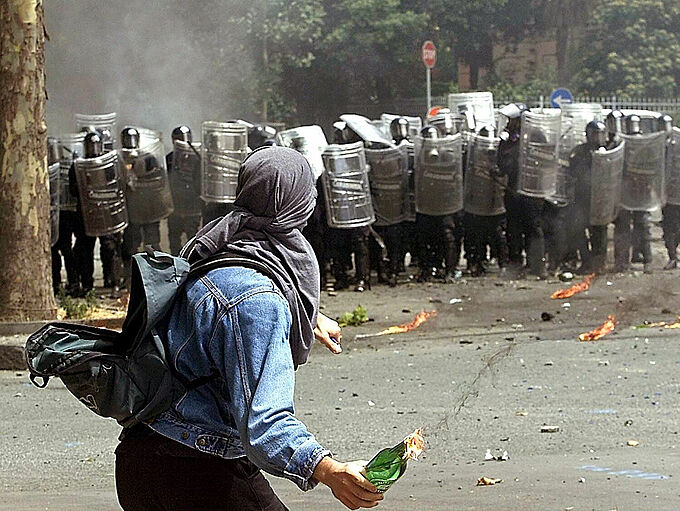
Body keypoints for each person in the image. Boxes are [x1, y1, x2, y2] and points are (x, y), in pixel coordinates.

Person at [114, 146, 383, 511]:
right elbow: (264, 422)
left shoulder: (216, 247)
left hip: (145, 457)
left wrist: (305, 318)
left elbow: (218, 317)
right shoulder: (258, 300)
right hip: (196, 468)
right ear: (297, 205)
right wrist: (329, 470)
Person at [166, 125, 203, 255]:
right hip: (175, 205)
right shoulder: (170, 159)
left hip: (193, 206)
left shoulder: (198, 158)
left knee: (193, 240)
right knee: (174, 240)